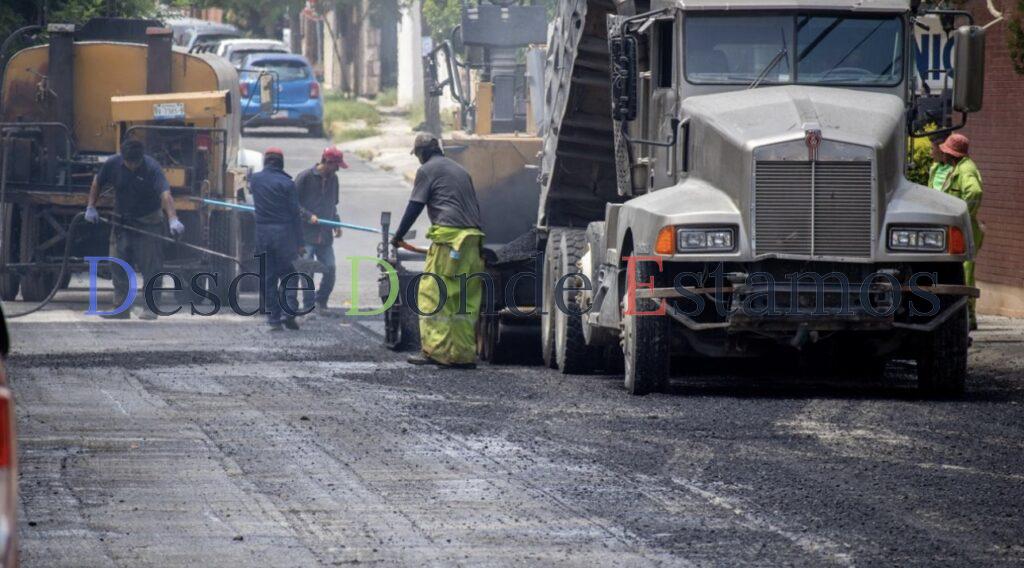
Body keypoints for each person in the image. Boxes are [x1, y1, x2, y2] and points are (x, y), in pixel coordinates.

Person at [391, 133, 485, 369]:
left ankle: (435, 352)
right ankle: (463, 355)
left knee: (433, 295)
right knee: (463, 300)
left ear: (421, 153)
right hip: (472, 241)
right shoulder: (461, 171)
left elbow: (415, 205)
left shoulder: (427, 170)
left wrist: (399, 235)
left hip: (449, 241)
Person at [85, 139, 185, 320]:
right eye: (128, 162)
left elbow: (165, 195)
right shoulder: (113, 164)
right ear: (122, 157)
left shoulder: (152, 168)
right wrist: (91, 206)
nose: (131, 166)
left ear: (141, 159)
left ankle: (150, 307)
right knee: (117, 263)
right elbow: (97, 183)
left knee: (151, 266)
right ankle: (121, 308)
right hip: (122, 222)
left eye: (135, 163)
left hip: (148, 222)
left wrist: (173, 219)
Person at [250, 147, 305, 332]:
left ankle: (274, 318)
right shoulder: (287, 184)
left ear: (266, 161)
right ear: (281, 162)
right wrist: (301, 243)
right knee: (289, 275)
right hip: (285, 236)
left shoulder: (255, 180)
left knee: (268, 277)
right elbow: (295, 215)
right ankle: (288, 312)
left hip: (262, 236)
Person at [933, 133, 984, 330]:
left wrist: (963, 214)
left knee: (965, 272)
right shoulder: (956, 168)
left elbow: (975, 192)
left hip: (964, 229)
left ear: (951, 154)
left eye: (945, 150)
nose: (941, 153)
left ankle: (968, 317)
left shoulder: (966, 170)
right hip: (957, 229)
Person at [295, 147, 348, 313]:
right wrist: (307, 215)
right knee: (307, 270)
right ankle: (308, 304)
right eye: (336, 165)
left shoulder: (334, 180)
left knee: (330, 268)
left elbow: (333, 205)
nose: (338, 169)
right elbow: (293, 204)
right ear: (327, 162)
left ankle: (321, 301)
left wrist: (336, 224)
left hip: (325, 235)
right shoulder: (304, 177)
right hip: (306, 234)